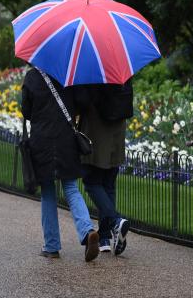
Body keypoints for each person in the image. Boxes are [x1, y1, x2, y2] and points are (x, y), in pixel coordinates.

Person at [21, 67, 99, 262]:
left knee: (48, 192)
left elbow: (26, 111)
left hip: (42, 141)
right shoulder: (69, 75)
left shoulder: (32, 76)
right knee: (71, 188)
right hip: (66, 140)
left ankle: (52, 246)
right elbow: (83, 103)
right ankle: (87, 230)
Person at [77, 81, 133, 255]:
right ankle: (104, 237)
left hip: (96, 131)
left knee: (91, 182)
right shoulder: (121, 65)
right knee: (108, 184)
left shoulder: (92, 69)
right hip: (116, 131)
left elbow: (83, 101)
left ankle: (116, 221)